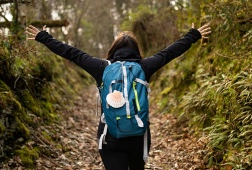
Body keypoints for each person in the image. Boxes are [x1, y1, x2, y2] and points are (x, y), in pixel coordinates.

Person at [25, 23, 211, 170]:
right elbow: (170, 52)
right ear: (136, 50)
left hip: (110, 137)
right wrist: (193, 35)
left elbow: (73, 53)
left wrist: (44, 38)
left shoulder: (101, 67)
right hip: (139, 135)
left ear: (113, 50)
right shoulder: (145, 67)